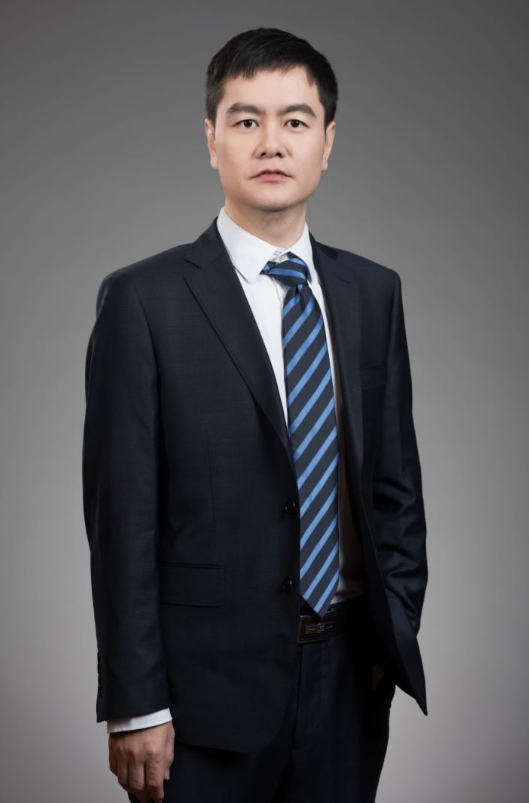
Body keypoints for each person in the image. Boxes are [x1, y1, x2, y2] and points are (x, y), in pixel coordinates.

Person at [82, 26, 428, 803]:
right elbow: (121, 520)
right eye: (246, 120)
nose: (271, 142)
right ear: (211, 139)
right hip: (199, 695)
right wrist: (136, 702)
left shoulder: (372, 293)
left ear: (327, 141)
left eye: (294, 121)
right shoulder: (144, 301)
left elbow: (395, 487)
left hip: (348, 681)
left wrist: (393, 625)